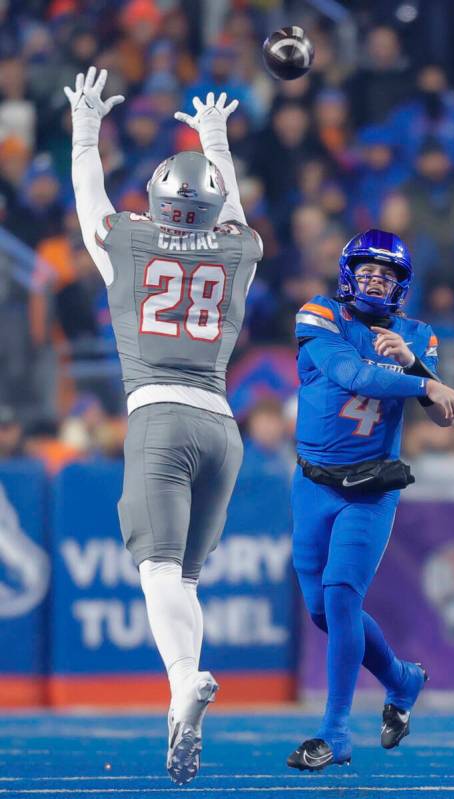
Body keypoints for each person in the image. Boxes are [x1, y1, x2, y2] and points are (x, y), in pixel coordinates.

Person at [64, 67, 262, 785]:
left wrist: (86, 125)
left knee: (156, 571)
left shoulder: (128, 241)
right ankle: (180, 698)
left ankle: (182, 680)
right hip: (222, 427)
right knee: (186, 579)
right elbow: (231, 205)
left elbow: (88, 196)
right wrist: (213, 135)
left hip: (158, 414)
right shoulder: (240, 248)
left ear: (155, 199)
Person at [288, 228, 454, 771]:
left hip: (370, 489)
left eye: (385, 275)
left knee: (342, 598)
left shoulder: (418, 335)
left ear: (402, 285)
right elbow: (351, 373)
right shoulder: (320, 314)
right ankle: (402, 679)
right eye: (366, 271)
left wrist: (416, 364)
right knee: (321, 611)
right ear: (347, 275)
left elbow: (444, 414)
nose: (374, 281)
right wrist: (421, 382)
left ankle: (334, 734)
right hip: (314, 483)